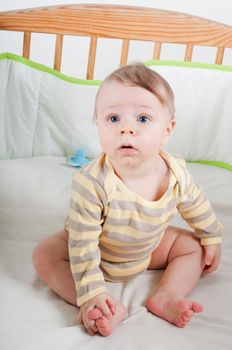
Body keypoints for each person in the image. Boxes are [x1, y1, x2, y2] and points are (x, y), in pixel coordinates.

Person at [32, 63, 222, 337]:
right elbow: (83, 245)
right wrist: (93, 291)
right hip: (97, 252)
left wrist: (211, 236)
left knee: (193, 246)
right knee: (45, 254)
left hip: (149, 249)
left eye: (143, 119)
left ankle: (167, 295)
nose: (127, 129)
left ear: (167, 130)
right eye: (113, 119)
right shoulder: (92, 183)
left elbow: (196, 204)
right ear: (97, 124)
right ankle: (98, 304)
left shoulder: (176, 172)